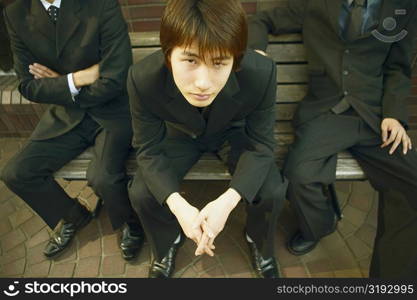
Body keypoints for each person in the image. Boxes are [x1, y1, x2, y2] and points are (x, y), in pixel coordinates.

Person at [248, 0, 417, 278]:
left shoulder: (402, 8)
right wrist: (256, 51)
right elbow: (261, 21)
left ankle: (391, 279)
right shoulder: (315, 4)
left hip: (375, 117)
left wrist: (394, 114)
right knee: (298, 176)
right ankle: (320, 225)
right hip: (324, 113)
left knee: (412, 182)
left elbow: (398, 68)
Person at [127, 0, 288, 278]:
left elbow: (262, 146)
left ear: (235, 61)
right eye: (190, 60)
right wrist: (180, 209)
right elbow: (148, 149)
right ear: (168, 55)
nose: (203, 82)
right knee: (142, 191)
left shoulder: (261, 73)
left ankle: (258, 241)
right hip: (180, 133)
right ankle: (167, 243)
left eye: (219, 63)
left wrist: (227, 202)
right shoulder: (142, 78)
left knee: (271, 189)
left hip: (233, 131)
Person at [1, 0, 144, 261]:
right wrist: (76, 79)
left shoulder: (101, 5)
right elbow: (27, 86)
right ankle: (73, 215)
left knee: (103, 177)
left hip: (114, 111)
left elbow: (115, 77)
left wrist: (59, 85)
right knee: (17, 173)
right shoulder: (15, 14)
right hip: (66, 115)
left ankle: (131, 223)